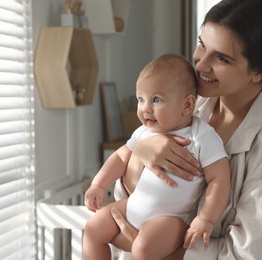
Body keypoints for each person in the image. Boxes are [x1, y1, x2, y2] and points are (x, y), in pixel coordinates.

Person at [110, 0, 262, 259]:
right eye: (202, 44)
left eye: (222, 58)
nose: (201, 65)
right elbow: (127, 200)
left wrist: (154, 250)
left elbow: (252, 255)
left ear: (258, 71)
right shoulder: (185, 109)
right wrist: (139, 155)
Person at [83, 54, 231, 260]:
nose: (145, 108)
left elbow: (220, 179)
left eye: (156, 99)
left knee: (142, 250)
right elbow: (120, 158)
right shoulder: (144, 132)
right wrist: (98, 185)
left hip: (169, 219)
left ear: (187, 105)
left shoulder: (201, 136)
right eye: (140, 99)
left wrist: (205, 219)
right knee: (92, 228)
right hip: (132, 206)